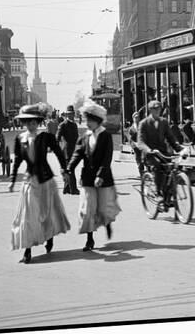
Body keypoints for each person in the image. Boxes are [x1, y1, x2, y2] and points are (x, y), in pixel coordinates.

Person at [8, 104, 70, 264]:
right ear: (24, 124)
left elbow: (58, 152)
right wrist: (13, 180)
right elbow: (17, 162)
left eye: (34, 122)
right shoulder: (20, 139)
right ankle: (27, 251)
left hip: (46, 181)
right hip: (29, 181)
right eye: (28, 122)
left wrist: (65, 169)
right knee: (28, 216)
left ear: (38, 122)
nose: (31, 125)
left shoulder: (46, 137)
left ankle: (49, 237)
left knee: (47, 212)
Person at [67, 101, 121, 252]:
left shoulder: (105, 136)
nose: (87, 123)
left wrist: (100, 175)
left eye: (90, 121)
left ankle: (107, 224)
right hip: (88, 178)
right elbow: (77, 154)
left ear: (97, 121)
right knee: (88, 209)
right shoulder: (84, 137)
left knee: (104, 208)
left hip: (103, 178)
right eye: (86, 120)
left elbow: (107, 158)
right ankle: (90, 239)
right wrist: (69, 168)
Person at [138, 100, 183, 198]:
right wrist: (149, 150)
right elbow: (140, 142)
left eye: (159, 108)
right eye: (155, 109)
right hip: (150, 154)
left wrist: (180, 149)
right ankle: (158, 191)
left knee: (172, 167)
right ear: (150, 110)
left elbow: (171, 138)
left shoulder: (163, 122)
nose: (158, 110)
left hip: (162, 152)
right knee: (158, 166)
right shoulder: (144, 123)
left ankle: (170, 194)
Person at [57, 105, 80, 195]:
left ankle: (66, 188)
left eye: (72, 114)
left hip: (73, 149)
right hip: (66, 150)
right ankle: (73, 189)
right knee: (71, 169)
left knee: (68, 169)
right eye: (69, 114)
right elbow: (57, 137)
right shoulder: (62, 125)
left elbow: (77, 137)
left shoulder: (74, 125)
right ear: (66, 115)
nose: (71, 116)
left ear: (74, 114)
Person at [128, 112, 144, 176]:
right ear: (133, 118)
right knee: (139, 160)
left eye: (138, 117)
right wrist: (134, 145)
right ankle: (141, 174)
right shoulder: (131, 129)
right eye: (135, 117)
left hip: (142, 145)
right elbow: (130, 140)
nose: (137, 119)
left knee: (145, 159)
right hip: (135, 146)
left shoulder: (142, 126)